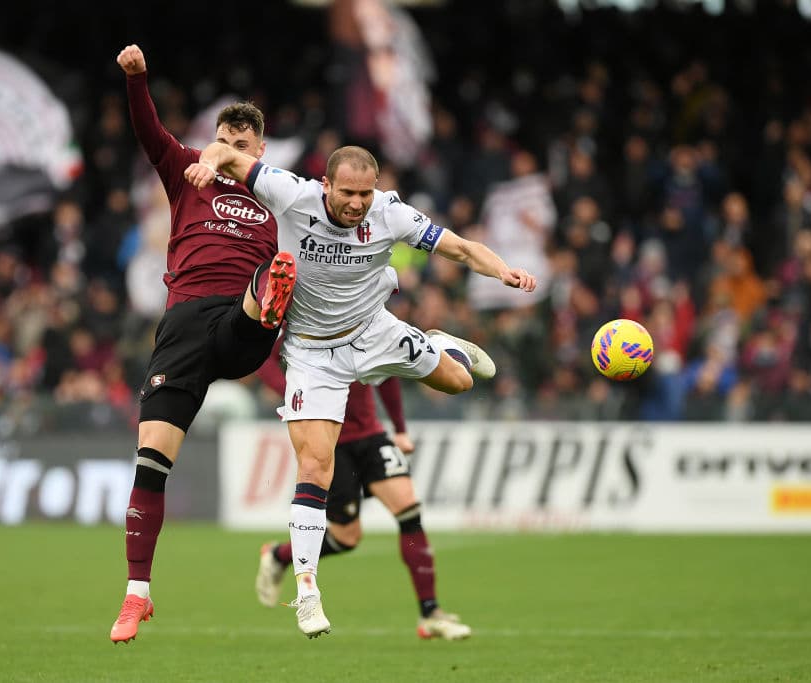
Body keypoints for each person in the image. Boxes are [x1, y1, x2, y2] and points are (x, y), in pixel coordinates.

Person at [185, 144, 536, 638]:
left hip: (374, 331)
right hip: (311, 352)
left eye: (365, 193)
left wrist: (503, 271)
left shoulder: (391, 213)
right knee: (315, 466)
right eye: (347, 193)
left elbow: (459, 247)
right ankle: (307, 588)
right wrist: (210, 160)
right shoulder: (291, 194)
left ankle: (436, 342)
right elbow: (229, 153)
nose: (356, 203)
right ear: (326, 186)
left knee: (460, 382)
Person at [109, 44, 297, 644]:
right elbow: (148, 131)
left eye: (244, 148)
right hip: (184, 323)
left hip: (239, 322)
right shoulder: (186, 171)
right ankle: (137, 594)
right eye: (224, 142)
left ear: (260, 153)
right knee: (151, 460)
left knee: (253, 305)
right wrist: (138, 80)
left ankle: (266, 298)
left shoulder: (277, 196)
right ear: (213, 139)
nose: (231, 154)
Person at [254, 341, 472, 640]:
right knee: (347, 537)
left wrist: (400, 429)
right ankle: (279, 555)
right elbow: (263, 357)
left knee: (409, 511)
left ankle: (430, 613)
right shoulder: (306, 314)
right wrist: (290, 390)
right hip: (330, 441)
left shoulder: (367, 313)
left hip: (371, 435)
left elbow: (389, 371)